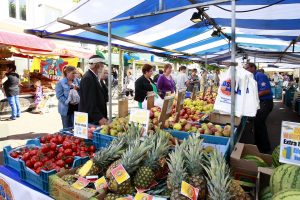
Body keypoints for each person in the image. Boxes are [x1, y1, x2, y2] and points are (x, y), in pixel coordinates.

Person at [245, 62, 273, 153]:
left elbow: (266, 90)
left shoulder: (260, 75)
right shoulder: (252, 76)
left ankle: (264, 148)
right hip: (260, 103)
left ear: (253, 67)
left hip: (265, 103)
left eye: (247, 68)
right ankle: (258, 144)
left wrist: (253, 97)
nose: (246, 70)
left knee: (260, 125)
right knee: (257, 124)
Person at [79, 55, 108, 125]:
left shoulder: (95, 77)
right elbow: (89, 101)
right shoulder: (88, 78)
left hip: (96, 116)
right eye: (102, 64)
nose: (103, 66)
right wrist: (99, 117)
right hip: (92, 119)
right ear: (96, 64)